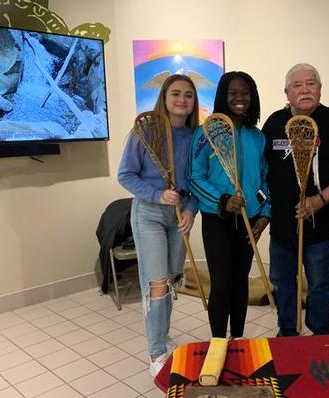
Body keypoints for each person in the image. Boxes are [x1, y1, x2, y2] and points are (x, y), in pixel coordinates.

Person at [263, 63, 329, 336]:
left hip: (319, 225)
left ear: (320, 88)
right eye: (297, 85)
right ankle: (287, 331)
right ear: (287, 92)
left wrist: (319, 200)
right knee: (282, 280)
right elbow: (262, 169)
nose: (305, 89)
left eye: (311, 83)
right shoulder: (273, 123)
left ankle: (319, 334)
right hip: (282, 225)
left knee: (318, 283)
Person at [118, 74, 200, 377]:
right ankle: (155, 353)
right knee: (156, 284)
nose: (182, 100)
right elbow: (126, 175)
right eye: (175, 94)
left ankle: (163, 335)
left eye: (188, 95)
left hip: (179, 218)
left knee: (172, 278)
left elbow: (198, 181)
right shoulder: (144, 132)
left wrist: (191, 209)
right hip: (149, 214)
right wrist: (157, 194)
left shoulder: (195, 137)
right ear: (164, 97)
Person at [188, 71, 270, 339]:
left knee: (240, 283)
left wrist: (264, 215)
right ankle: (218, 342)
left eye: (245, 92)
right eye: (233, 92)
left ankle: (237, 339)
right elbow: (194, 177)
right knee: (221, 285)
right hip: (217, 221)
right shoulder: (205, 133)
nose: (239, 98)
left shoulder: (257, 137)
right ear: (223, 96)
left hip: (249, 222)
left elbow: (264, 180)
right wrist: (222, 200)